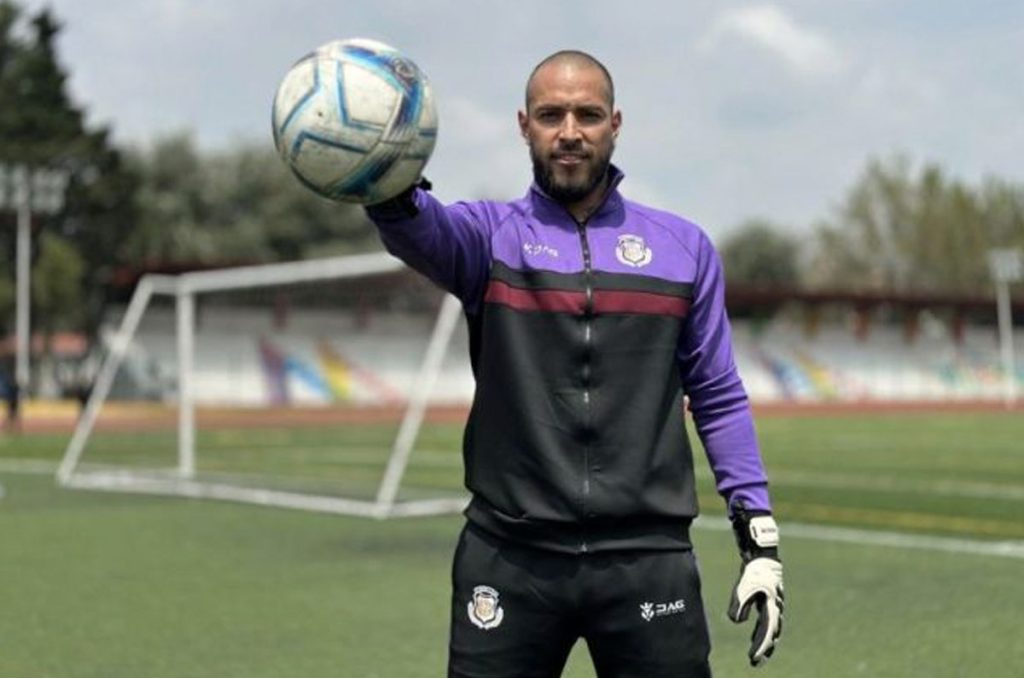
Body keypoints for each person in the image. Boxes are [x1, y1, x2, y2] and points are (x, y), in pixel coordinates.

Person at [365, 50, 784, 677]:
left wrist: (759, 539)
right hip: (509, 558)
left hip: (647, 559)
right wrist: (382, 174)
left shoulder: (683, 249)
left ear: (615, 124)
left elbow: (718, 396)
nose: (568, 131)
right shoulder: (486, 239)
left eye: (587, 115)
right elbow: (413, 227)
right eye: (550, 114)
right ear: (523, 125)